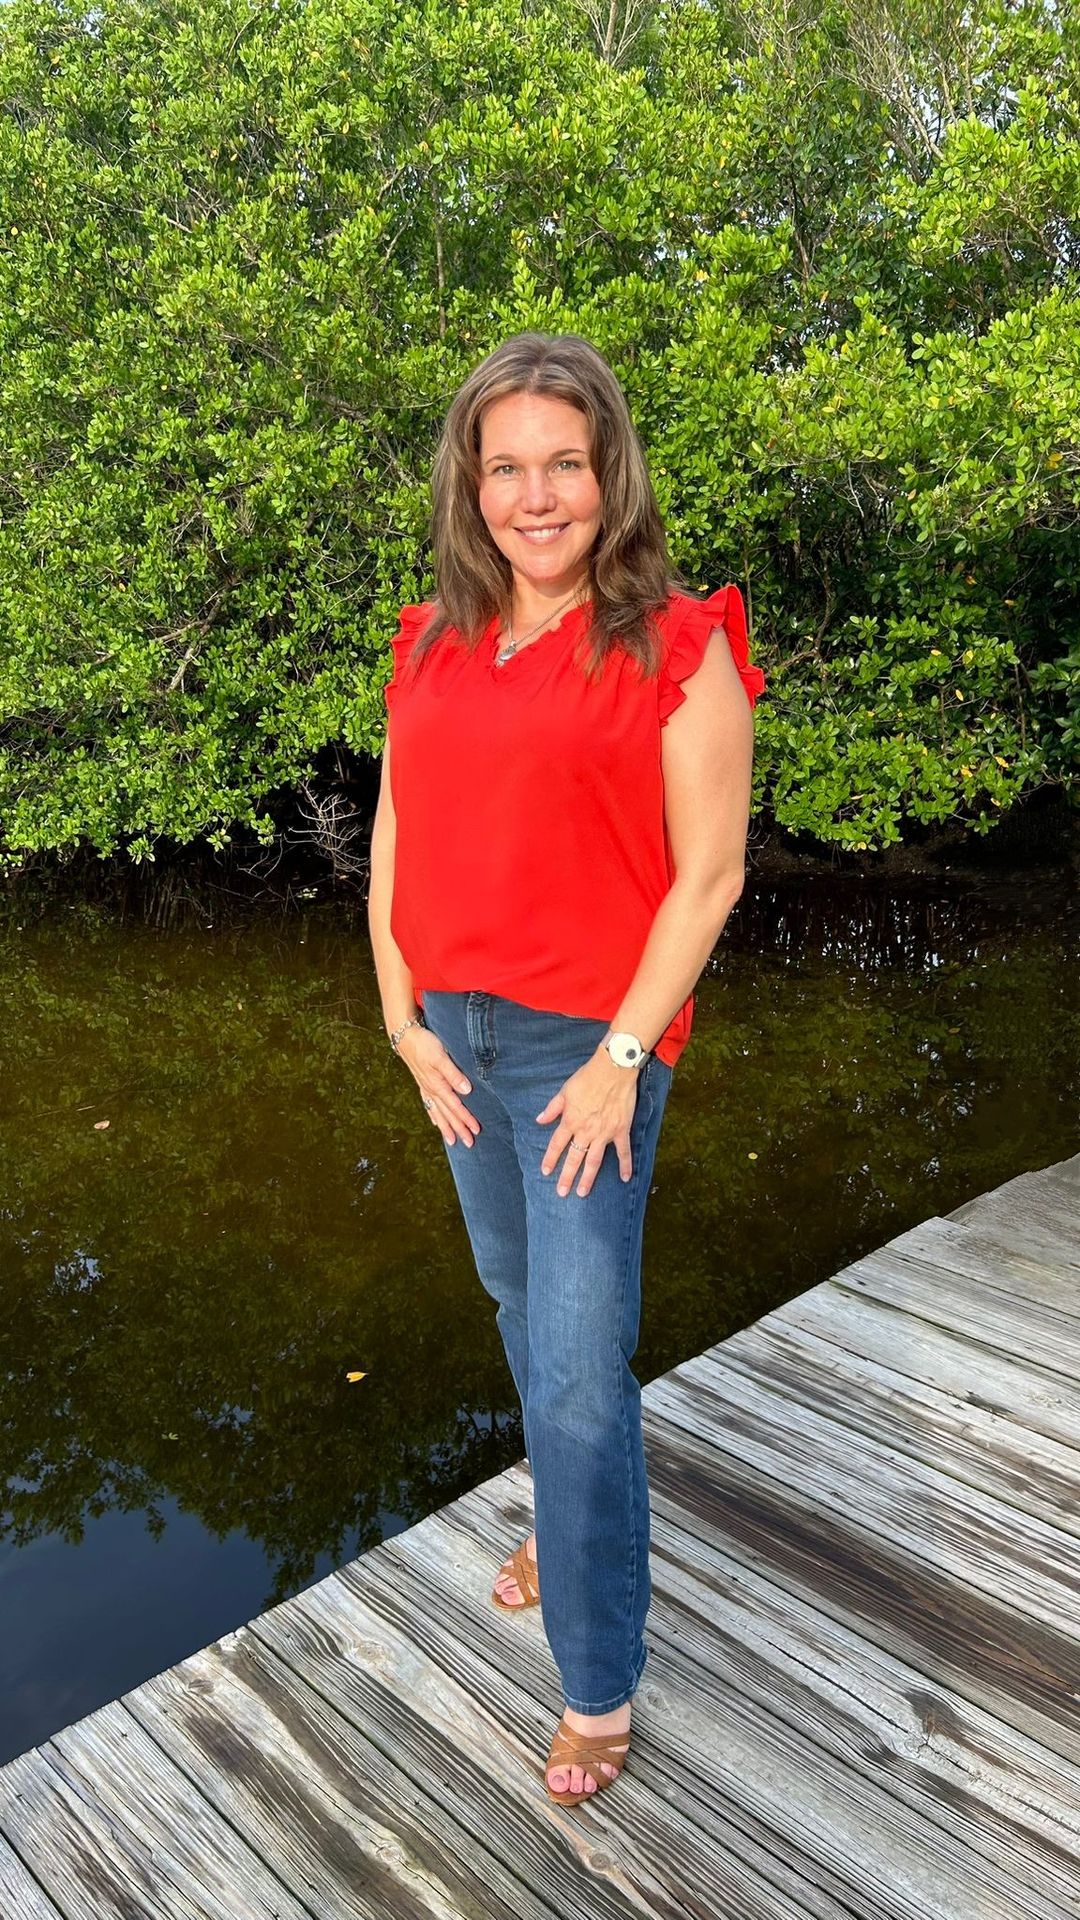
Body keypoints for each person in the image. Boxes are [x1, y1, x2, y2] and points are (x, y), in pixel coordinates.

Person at [368, 331, 765, 1807]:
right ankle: (564, 1514)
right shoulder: (431, 640)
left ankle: (597, 1683)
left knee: (584, 1371)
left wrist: (617, 1062)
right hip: (454, 1039)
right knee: (521, 1306)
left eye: (565, 465)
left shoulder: (676, 646)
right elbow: (399, 827)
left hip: (583, 1052)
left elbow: (709, 879)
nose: (537, 498)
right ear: (471, 486)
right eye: (507, 468)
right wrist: (400, 1015)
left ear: (611, 476)